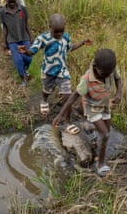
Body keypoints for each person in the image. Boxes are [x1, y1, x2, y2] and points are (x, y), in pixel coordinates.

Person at [52, 48, 122, 177]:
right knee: (105, 135)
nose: (107, 76)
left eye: (109, 73)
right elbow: (74, 96)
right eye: (104, 74)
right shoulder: (86, 79)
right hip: (92, 108)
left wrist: (118, 93)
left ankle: (89, 129)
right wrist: (61, 114)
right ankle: (100, 164)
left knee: (107, 131)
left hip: (105, 105)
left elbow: (118, 79)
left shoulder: (110, 68)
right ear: (96, 67)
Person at [18, 14, 93, 114]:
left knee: (67, 93)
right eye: (56, 32)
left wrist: (83, 42)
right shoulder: (43, 38)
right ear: (50, 27)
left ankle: (65, 114)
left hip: (62, 70)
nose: (59, 34)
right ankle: (44, 101)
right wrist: (25, 51)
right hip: (48, 71)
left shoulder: (65, 37)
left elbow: (70, 48)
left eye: (61, 31)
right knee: (47, 90)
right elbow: (32, 51)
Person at [0, 0, 33, 87]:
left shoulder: (22, 9)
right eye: (10, 2)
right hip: (12, 40)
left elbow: (26, 24)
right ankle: (23, 79)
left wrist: (30, 36)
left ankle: (25, 70)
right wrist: (4, 41)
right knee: (18, 60)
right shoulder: (2, 12)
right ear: (6, 0)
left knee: (28, 58)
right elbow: (5, 27)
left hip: (24, 37)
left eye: (14, 1)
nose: (12, 4)